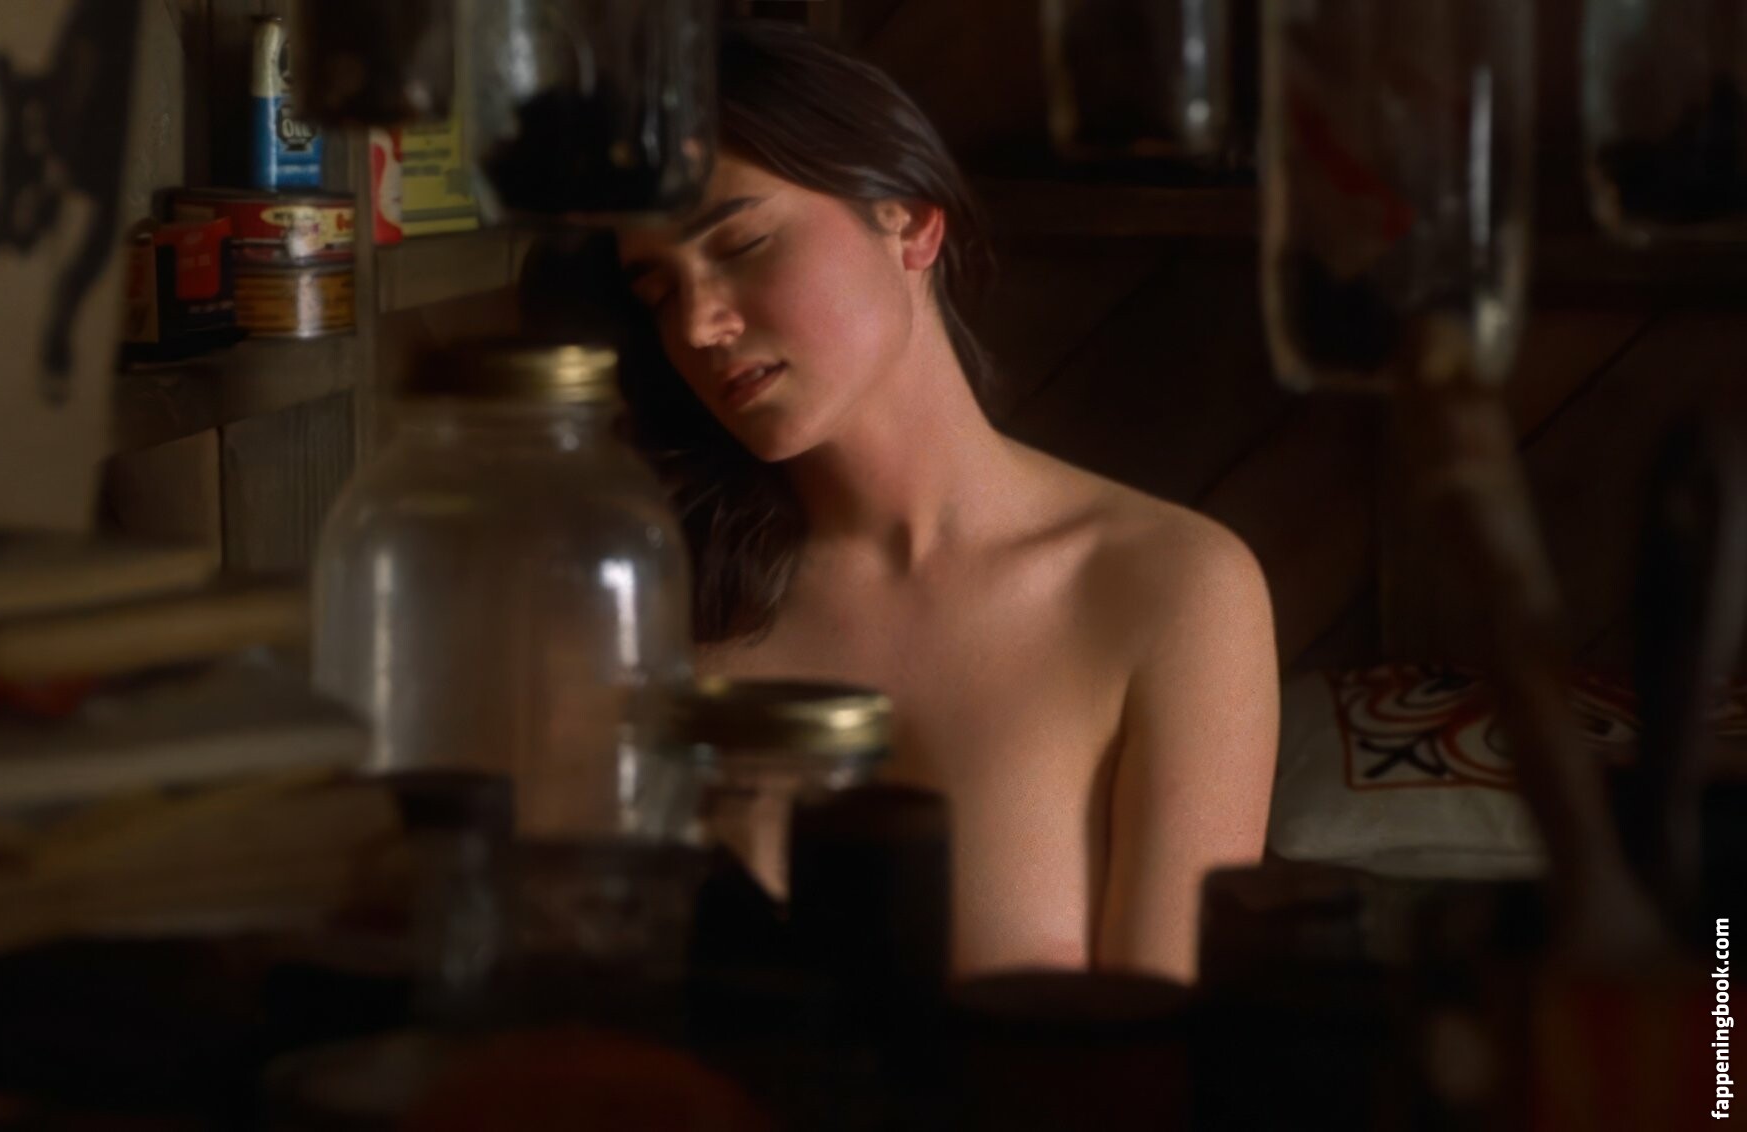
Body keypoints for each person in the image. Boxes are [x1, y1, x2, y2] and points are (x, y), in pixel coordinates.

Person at [520, 20, 1278, 984]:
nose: (701, 325)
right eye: (659, 291)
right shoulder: (653, 603)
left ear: (911, 221)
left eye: (742, 243)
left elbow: (1162, 1045)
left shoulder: (1172, 589)